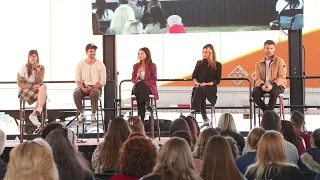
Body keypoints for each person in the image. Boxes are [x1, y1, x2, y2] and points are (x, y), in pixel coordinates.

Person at [73, 43, 107, 125]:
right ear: (86, 52)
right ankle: (82, 114)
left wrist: (92, 87)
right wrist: (82, 87)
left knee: (94, 93)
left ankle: (93, 114)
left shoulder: (100, 65)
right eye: (91, 51)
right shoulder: (80, 64)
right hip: (84, 86)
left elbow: (102, 81)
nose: (93, 53)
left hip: (96, 87)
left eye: (94, 51)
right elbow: (77, 80)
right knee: (76, 93)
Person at [189, 44, 222, 122]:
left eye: (206, 52)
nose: (204, 54)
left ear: (211, 53)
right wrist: (197, 83)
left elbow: (217, 81)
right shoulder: (199, 63)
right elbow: (194, 77)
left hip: (210, 88)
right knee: (199, 89)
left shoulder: (217, 65)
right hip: (199, 87)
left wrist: (206, 84)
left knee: (200, 90)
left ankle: (193, 110)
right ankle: (204, 117)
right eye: (203, 52)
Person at [252, 40, 287, 112]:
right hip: (264, 85)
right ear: (264, 49)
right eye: (267, 48)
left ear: (274, 49)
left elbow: (282, 77)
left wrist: (272, 85)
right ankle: (267, 113)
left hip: (277, 85)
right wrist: (262, 85)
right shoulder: (258, 63)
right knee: (254, 93)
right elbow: (257, 78)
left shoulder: (280, 61)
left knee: (273, 93)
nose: (269, 50)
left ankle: (267, 114)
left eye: (271, 48)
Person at [17, 50, 47, 126]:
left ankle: (36, 111)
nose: (32, 59)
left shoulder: (41, 68)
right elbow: (20, 83)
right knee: (42, 96)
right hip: (25, 89)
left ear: (37, 57)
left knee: (43, 87)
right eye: (30, 57)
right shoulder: (24, 67)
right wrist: (32, 86)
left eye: (33, 56)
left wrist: (37, 71)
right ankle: (36, 113)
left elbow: (40, 82)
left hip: (35, 89)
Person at [131, 47, 158, 121]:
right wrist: (137, 77)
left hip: (148, 88)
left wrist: (143, 83)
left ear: (147, 54)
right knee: (139, 86)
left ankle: (141, 118)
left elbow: (154, 79)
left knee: (140, 87)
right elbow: (133, 80)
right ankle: (146, 102)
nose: (140, 55)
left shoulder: (152, 66)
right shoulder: (135, 66)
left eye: (142, 53)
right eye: (139, 53)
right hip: (137, 88)